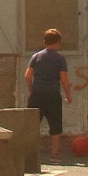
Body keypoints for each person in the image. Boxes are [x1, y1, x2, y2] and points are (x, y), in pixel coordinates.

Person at [23, 27, 73, 161]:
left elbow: (27, 77)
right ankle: (54, 155)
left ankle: (28, 155)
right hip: (52, 94)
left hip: (37, 93)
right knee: (55, 124)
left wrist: (31, 90)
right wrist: (69, 95)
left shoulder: (36, 57)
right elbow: (64, 79)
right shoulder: (60, 59)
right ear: (57, 42)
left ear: (45, 42)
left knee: (32, 125)